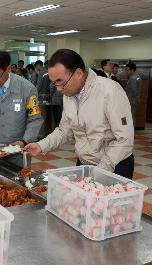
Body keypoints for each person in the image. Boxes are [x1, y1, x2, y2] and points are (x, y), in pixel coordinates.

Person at [23, 49, 134, 179]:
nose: (58, 89)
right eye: (54, 83)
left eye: (61, 81)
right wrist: (41, 145)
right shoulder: (69, 94)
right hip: (85, 163)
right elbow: (64, 130)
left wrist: (101, 170)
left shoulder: (110, 91)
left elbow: (124, 140)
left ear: (79, 73)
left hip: (114, 165)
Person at [125, 62, 141, 127]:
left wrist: (137, 98)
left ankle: (131, 131)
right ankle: (131, 130)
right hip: (133, 100)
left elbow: (134, 91)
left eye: (127, 70)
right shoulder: (137, 76)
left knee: (131, 116)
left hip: (131, 100)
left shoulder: (133, 78)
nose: (126, 72)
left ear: (132, 70)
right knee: (132, 115)